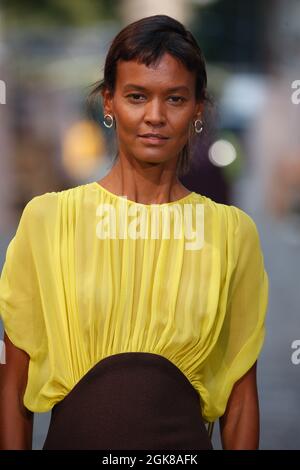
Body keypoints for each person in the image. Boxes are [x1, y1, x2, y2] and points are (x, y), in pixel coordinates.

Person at [0, 15, 269, 450]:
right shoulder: (47, 222)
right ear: (109, 102)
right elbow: (12, 390)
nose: (155, 116)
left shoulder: (231, 235)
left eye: (176, 99)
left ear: (198, 109)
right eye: (137, 96)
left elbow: (240, 401)